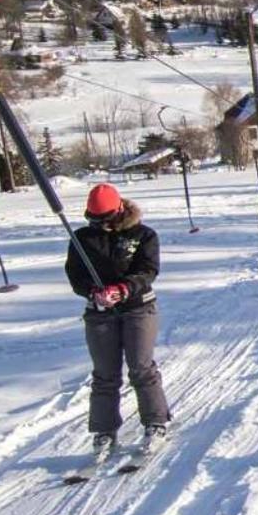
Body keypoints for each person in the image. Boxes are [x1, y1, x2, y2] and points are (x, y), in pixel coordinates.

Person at [65, 183, 169, 456]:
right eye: (95, 220)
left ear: (120, 209)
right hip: (99, 313)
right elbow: (75, 275)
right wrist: (93, 291)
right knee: (105, 374)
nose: (101, 226)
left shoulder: (143, 235)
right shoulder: (81, 238)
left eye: (107, 220)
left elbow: (148, 270)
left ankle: (155, 422)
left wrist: (122, 288)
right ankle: (104, 430)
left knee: (141, 367)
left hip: (138, 308)